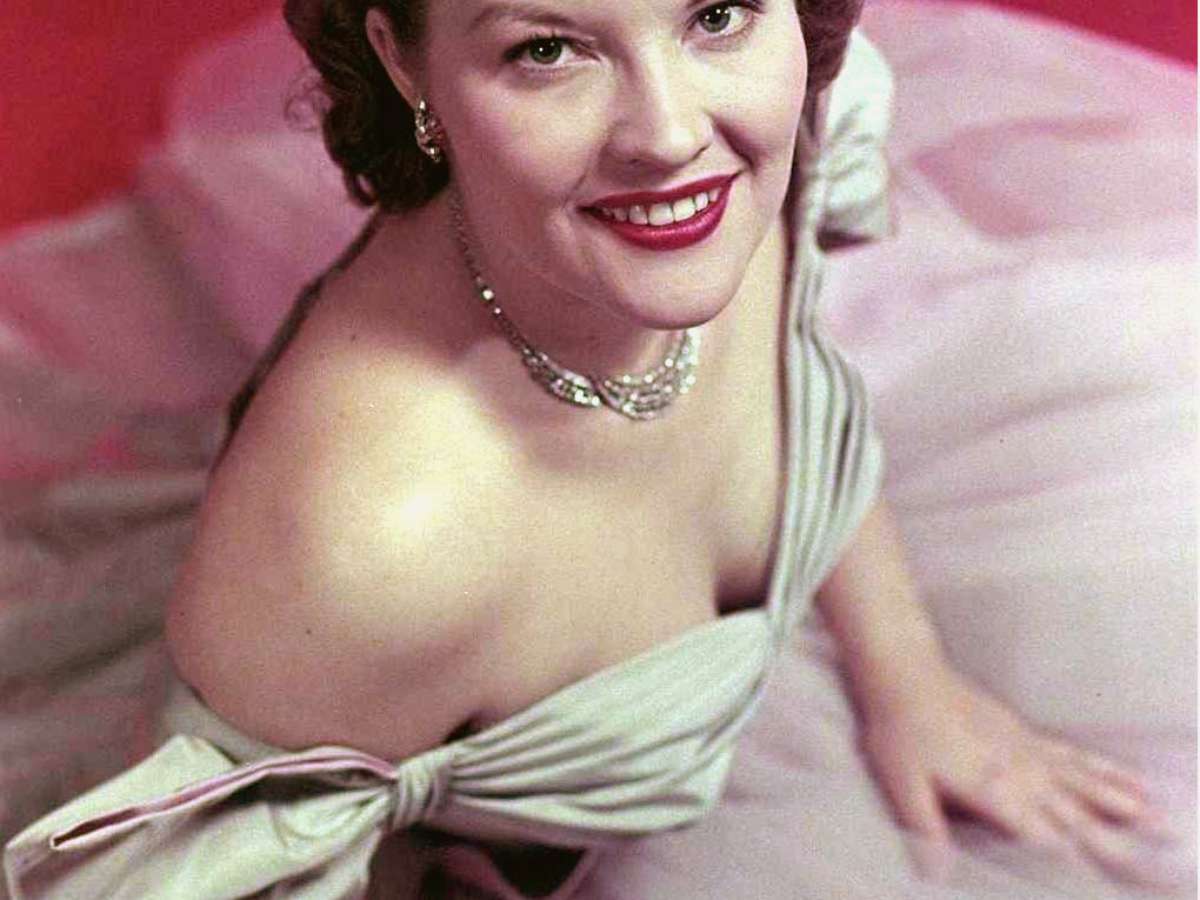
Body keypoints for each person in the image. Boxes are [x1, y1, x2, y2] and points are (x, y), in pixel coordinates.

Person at [3, 1, 1168, 897]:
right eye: (549, 49)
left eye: (715, 12)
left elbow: (797, 380)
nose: (670, 135)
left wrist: (911, 681)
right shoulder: (366, 550)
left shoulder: (768, 127)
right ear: (405, 63)